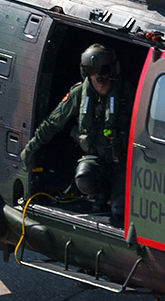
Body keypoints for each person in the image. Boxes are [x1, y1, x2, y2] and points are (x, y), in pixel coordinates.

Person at [23, 44, 133, 222]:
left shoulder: (126, 94)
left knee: (119, 210)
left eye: (103, 69)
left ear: (112, 69)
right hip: (95, 159)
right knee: (84, 177)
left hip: (121, 164)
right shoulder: (79, 93)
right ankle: (100, 193)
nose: (98, 75)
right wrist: (32, 145)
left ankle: (113, 194)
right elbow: (54, 121)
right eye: (92, 70)